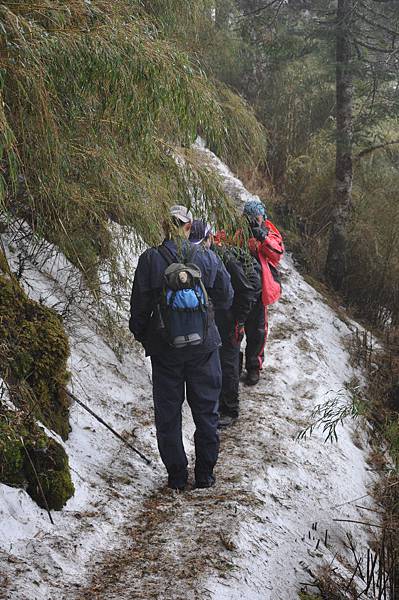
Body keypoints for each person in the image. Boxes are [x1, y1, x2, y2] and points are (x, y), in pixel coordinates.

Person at [129, 206, 233, 490]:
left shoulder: (150, 259)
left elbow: (139, 308)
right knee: (206, 412)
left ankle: (176, 476)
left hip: (166, 351)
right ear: (189, 228)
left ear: (165, 226)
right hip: (204, 349)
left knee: (168, 415)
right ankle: (205, 474)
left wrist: (146, 336)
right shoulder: (206, 257)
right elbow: (227, 296)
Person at [190, 222, 261, 427]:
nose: (200, 246)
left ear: (209, 238)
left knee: (227, 360)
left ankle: (230, 409)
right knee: (226, 358)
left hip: (231, 315)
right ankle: (223, 399)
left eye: (201, 242)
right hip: (221, 313)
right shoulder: (205, 256)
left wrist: (239, 321)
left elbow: (246, 290)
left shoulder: (225, 259)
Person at [242, 199, 284, 386]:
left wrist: (262, 237)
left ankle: (253, 367)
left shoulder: (269, 230)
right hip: (240, 288)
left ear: (262, 216)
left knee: (258, 331)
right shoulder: (237, 229)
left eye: (256, 217)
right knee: (235, 329)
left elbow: (277, 253)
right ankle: (234, 365)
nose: (253, 220)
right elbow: (221, 242)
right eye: (250, 217)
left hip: (260, 289)